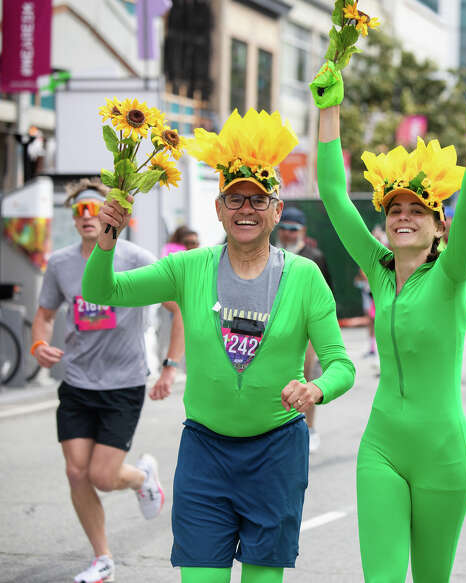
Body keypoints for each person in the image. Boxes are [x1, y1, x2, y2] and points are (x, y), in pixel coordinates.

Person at [83, 108, 356, 583]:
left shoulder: (305, 276)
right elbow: (102, 292)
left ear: (275, 209)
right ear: (218, 207)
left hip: (276, 454)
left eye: (257, 199)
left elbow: (340, 364)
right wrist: (107, 238)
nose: (245, 209)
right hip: (205, 454)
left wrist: (316, 390)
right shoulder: (187, 268)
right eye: (234, 198)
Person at [311, 61, 466, 581]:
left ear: (438, 225)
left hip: (443, 454)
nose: (403, 216)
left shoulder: (450, 273)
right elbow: (333, 193)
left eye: (417, 209)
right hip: (381, 447)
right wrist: (328, 111)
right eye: (394, 207)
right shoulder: (378, 270)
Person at [31, 178, 184, 583]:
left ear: (109, 215)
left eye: (94, 208)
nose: (86, 216)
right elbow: (45, 314)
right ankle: (103, 558)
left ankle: (140, 478)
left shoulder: (136, 258)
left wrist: (170, 365)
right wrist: (38, 345)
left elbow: (177, 306)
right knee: (76, 473)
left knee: (102, 475)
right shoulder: (61, 263)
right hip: (78, 382)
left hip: (123, 383)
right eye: (79, 210)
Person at [276, 205, 334, 453]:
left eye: (293, 229)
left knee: (306, 377)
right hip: (274, 326)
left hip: (307, 327)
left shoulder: (315, 256)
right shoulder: (269, 254)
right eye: (285, 228)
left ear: (303, 230)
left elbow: (326, 296)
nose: (289, 233)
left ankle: (309, 428)